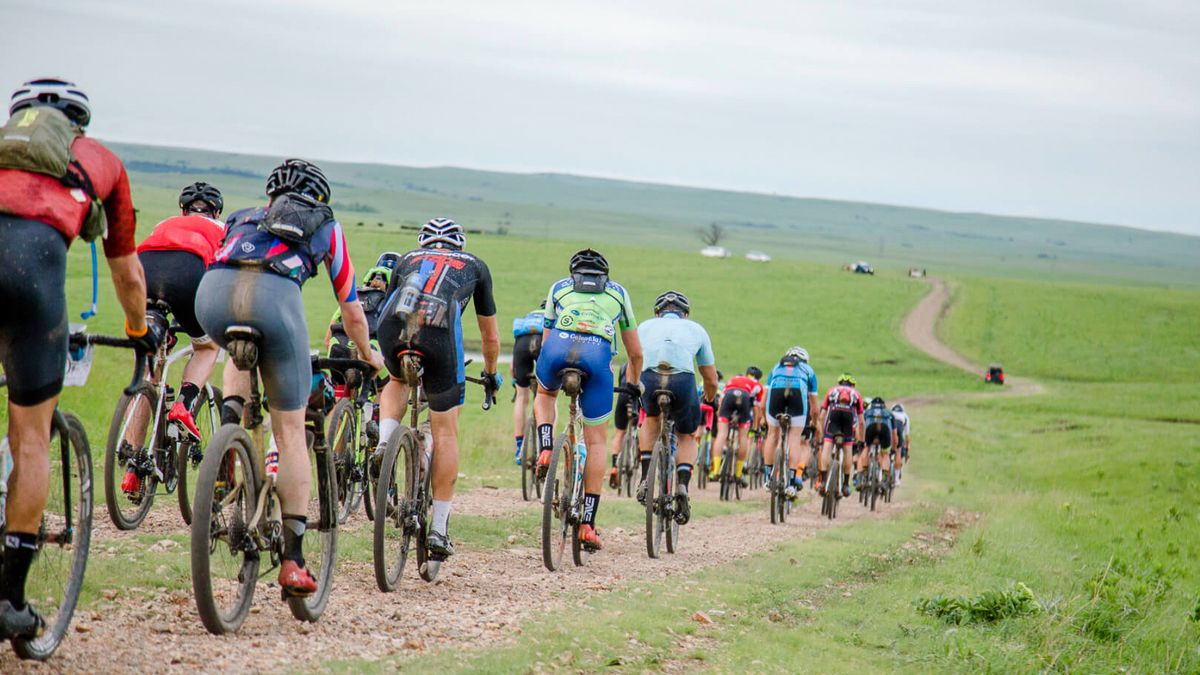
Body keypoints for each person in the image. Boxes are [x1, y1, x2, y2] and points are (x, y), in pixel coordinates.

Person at [0, 78, 163, 637]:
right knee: (30, 437)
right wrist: (138, 330)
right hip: (32, 276)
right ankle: (11, 600)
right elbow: (126, 271)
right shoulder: (100, 162)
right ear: (78, 125)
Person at [198, 158, 384, 596]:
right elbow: (353, 311)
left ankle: (228, 438)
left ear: (272, 195)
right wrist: (367, 355)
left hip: (212, 299)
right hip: (275, 302)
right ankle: (293, 561)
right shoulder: (327, 227)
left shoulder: (241, 217)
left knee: (235, 351)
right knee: (291, 429)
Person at [374, 218, 501, 559]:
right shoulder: (475, 265)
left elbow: (387, 307)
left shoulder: (406, 259)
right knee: (446, 433)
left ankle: (384, 441)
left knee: (397, 378)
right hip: (439, 333)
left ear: (423, 243)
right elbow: (489, 336)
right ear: (459, 246)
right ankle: (439, 530)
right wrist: (490, 375)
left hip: (393, 328)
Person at [121, 182, 227, 497]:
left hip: (144, 273)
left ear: (183, 210)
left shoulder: (164, 224)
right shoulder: (222, 228)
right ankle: (183, 403)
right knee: (207, 346)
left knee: (148, 368)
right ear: (216, 211)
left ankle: (132, 466)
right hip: (189, 272)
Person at [534, 249, 643, 551]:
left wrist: (550, 369)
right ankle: (587, 524)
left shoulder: (558, 287)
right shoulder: (619, 293)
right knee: (596, 442)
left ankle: (545, 447)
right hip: (597, 357)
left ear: (574, 273)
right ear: (604, 276)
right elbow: (635, 353)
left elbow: (546, 341)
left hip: (558, 349)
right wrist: (632, 385)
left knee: (544, 394)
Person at [635, 291, 718, 526]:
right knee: (686, 434)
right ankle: (682, 483)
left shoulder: (645, 326)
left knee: (650, 419)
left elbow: (634, 357)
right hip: (682, 380)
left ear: (657, 313)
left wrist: (633, 385)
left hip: (650, 377)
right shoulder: (696, 329)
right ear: (686, 314)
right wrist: (709, 399)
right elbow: (710, 378)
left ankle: (644, 477)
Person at [762, 346, 819, 498]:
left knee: (772, 435)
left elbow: (763, 401)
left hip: (776, 394)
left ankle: (768, 478)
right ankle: (792, 482)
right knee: (794, 437)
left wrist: (763, 417)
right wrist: (814, 421)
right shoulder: (808, 370)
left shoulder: (776, 367)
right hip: (797, 395)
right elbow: (814, 407)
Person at [709, 366, 763, 487]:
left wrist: (720, 416)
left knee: (722, 434)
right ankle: (738, 473)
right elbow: (756, 408)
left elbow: (722, 399)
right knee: (743, 437)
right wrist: (754, 426)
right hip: (744, 399)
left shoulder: (734, 379)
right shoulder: (757, 385)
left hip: (728, 396)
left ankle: (715, 471)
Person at [323, 264, 391, 358]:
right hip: (370, 347)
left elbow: (327, 341)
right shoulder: (389, 302)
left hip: (338, 343)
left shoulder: (353, 297)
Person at [814, 374, 864, 498]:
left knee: (827, 445)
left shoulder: (832, 390)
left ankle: (823, 480)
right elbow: (861, 422)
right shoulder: (856, 394)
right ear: (852, 385)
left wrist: (820, 436)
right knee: (847, 449)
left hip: (834, 415)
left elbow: (822, 415)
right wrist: (861, 440)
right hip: (848, 417)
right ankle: (846, 484)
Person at [511, 301, 545, 464]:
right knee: (548, 396)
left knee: (521, 396)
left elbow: (512, 364)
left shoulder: (529, 318)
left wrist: (516, 379)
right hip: (542, 341)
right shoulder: (555, 317)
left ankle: (519, 448)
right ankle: (546, 445)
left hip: (522, 345)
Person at [858, 397, 898, 487]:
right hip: (884, 430)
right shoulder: (889, 413)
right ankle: (884, 479)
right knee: (884, 453)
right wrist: (894, 448)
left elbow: (860, 426)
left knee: (866, 448)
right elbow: (894, 433)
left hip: (870, 429)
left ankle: (864, 475)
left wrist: (860, 441)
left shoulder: (867, 412)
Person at [891, 403, 910, 484]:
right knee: (898, 451)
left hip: (890, 427)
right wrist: (907, 450)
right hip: (899, 427)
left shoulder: (890, 413)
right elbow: (907, 437)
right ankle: (896, 479)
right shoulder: (905, 416)